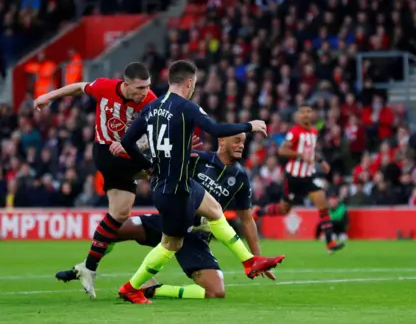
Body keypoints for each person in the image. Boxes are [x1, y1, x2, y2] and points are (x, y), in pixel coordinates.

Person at [117, 60, 284, 304]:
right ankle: (131, 288)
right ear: (188, 83)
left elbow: (127, 141)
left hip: (176, 184)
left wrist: (147, 165)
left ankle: (250, 261)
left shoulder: (151, 108)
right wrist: (251, 125)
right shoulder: (186, 107)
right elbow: (215, 130)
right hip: (174, 191)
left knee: (215, 210)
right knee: (170, 245)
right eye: (194, 85)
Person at [57, 133, 274, 299]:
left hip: (195, 237)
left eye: (243, 142)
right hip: (167, 222)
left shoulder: (240, 178)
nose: (241, 145)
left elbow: (247, 219)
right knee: (112, 229)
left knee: (216, 292)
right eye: (236, 140)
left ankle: (154, 289)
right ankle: (86, 267)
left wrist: (257, 258)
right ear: (222, 141)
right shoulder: (196, 159)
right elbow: (153, 171)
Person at [33, 62, 158, 298]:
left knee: (120, 214)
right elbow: (79, 87)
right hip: (106, 153)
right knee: (162, 168)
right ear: (126, 84)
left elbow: (157, 129)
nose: (144, 92)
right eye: (140, 88)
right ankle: (196, 215)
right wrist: (48, 96)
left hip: (128, 156)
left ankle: (87, 267)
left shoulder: (150, 101)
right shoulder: (104, 87)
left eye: (148, 87)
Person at [271, 104, 345, 253]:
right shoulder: (294, 132)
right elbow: (283, 150)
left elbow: (310, 151)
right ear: (298, 116)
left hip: (308, 176)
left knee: (322, 203)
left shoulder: (313, 131)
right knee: (284, 209)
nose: (305, 114)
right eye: (303, 112)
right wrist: (300, 155)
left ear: (312, 115)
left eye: (308, 111)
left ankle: (330, 242)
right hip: (293, 177)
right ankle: (259, 212)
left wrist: (321, 161)